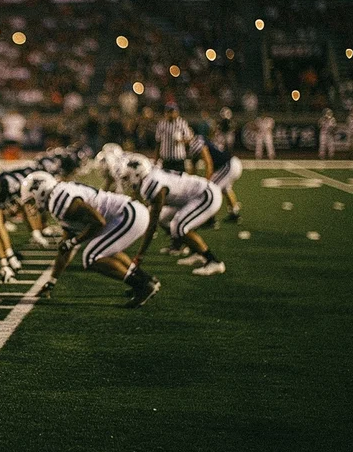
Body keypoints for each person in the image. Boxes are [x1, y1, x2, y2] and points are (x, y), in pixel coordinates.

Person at [19, 171, 160, 308]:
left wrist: (74, 242)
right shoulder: (58, 196)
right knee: (104, 251)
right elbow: (65, 247)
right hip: (130, 213)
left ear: (41, 191)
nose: (31, 206)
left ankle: (141, 286)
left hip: (127, 214)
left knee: (91, 256)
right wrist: (52, 280)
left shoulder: (58, 201)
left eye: (31, 200)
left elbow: (98, 221)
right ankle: (145, 280)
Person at [123, 162, 226, 276]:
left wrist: (140, 255)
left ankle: (213, 261)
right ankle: (196, 251)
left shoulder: (151, 185)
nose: (126, 180)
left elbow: (152, 225)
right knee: (165, 219)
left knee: (178, 226)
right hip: (191, 197)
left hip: (206, 195)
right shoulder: (150, 176)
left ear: (137, 175)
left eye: (128, 177)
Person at [188, 134, 243, 222]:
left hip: (228, 165)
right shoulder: (199, 139)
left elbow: (209, 165)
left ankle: (211, 219)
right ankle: (234, 214)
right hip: (231, 163)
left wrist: (206, 181)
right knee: (225, 189)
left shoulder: (196, 144)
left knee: (211, 189)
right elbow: (193, 168)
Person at [154, 102, 192, 172]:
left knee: (180, 180)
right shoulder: (161, 124)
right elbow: (158, 142)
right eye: (168, 112)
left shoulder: (182, 123)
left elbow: (189, 138)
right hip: (166, 159)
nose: (171, 114)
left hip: (179, 159)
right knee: (166, 181)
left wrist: (181, 141)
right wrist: (156, 159)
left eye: (172, 112)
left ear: (177, 112)